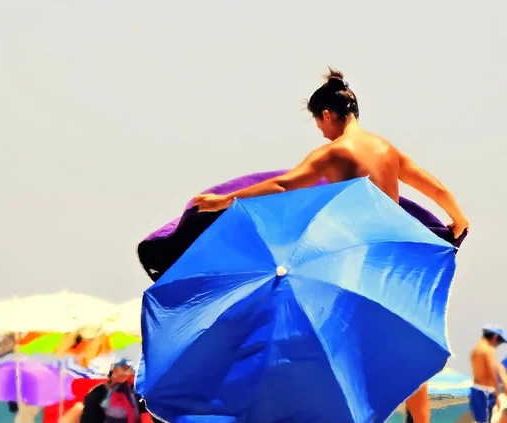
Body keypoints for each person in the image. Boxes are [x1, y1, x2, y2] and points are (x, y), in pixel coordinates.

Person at [193, 68, 470, 423]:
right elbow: (436, 189)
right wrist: (458, 218)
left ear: (327, 115)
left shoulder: (334, 153)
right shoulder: (385, 148)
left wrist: (224, 199)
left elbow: (281, 186)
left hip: (355, 258)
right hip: (397, 257)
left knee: (327, 340)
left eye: (319, 124)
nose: (322, 132)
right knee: (403, 343)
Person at [469, 325, 507, 423]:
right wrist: (498, 395)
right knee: (486, 420)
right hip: (486, 391)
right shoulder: (488, 350)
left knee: (480, 419)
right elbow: (492, 374)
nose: (497, 345)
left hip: (476, 388)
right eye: (499, 342)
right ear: (494, 337)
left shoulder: (476, 349)